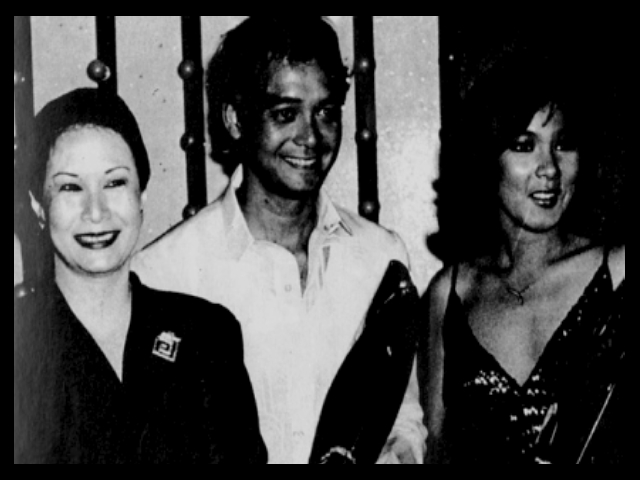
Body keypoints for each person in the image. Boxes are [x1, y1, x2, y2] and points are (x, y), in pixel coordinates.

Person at [133, 16, 426, 464]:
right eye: (286, 114)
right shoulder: (164, 274)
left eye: (326, 112)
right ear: (235, 120)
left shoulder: (380, 257)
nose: (310, 137)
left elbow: (402, 418)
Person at [13, 88, 266, 464]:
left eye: (115, 183)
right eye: (70, 187)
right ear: (38, 206)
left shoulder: (207, 336)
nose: (96, 211)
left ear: (141, 195)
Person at [422, 53, 626, 464]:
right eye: (524, 145)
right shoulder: (450, 294)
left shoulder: (619, 272)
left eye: (563, 144)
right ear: (486, 159)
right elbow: (435, 452)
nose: (549, 168)